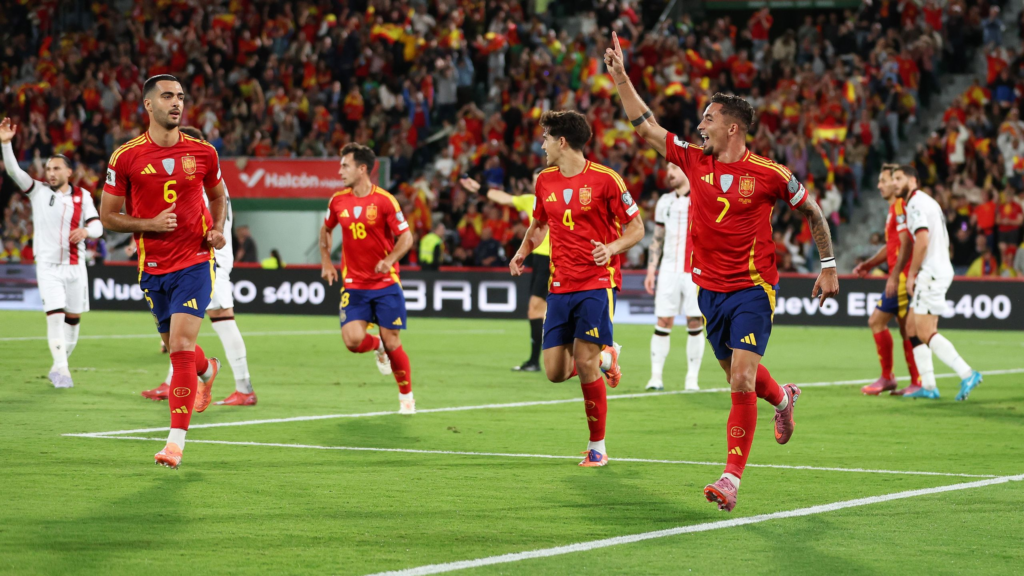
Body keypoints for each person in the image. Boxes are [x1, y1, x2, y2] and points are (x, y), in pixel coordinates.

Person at [606, 32, 838, 511]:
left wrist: (829, 266)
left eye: (708, 119)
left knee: (740, 381)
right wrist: (623, 78)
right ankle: (785, 398)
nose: (700, 125)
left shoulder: (769, 173)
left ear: (733, 128)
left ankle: (731, 478)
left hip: (754, 289)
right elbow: (647, 127)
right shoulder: (694, 161)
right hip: (708, 290)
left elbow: (813, 211)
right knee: (738, 374)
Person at [99, 75, 227, 469]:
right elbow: (107, 216)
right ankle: (209, 369)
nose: (177, 103)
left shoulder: (203, 153)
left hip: (194, 261)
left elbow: (218, 195)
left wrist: (217, 228)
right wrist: (149, 225)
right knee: (178, 349)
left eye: (181, 97)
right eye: (168, 96)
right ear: (148, 105)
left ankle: (174, 445)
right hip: (152, 267)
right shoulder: (126, 157)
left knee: (182, 348)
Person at [510, 110, 645, 467]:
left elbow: (636, 228)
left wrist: (612, 248)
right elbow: (539, 224)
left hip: (597, 282)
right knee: (554, 371)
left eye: (545, 139)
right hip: (560, 283)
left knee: (583, 362)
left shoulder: (606, 180)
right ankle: (606, 356)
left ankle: (597, 447)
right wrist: (523, 250)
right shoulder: (544, 181)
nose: (541, 145)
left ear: (562, 141)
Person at [141, 126, 256, 406]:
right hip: (196, 258)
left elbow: (196, 220)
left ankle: (244, 388)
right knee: (180, 328)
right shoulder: (212, 179)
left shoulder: (197, 177)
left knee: (222, 319)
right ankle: (174, 382)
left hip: (204, 259)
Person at [1, 117, 104, 388]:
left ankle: (59, 365)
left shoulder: (84, 196)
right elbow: (14, 171)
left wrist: (86, 232)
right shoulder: (37, 191)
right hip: (47, 266)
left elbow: (98, 225)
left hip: (75, 267)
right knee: (56, 317)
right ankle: (62, 370)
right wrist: (6, 144)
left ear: (69, 172)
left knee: (73, 321)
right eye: (48, 168)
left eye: (56, 168)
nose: (50, 173)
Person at [320, 143, 416, 414]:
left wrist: (389, 260)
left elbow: (406, 237)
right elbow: (326, 230)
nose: (340, 171)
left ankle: (406, 396)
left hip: (385, 285)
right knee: (352, 341)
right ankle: (378, 347)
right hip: (354, 284)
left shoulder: (385, 200)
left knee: (393, 340)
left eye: (345, 166)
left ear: (362, 169)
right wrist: (326, 261)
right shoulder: (337, 200)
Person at [896, 165, 983, 401]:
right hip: (939, 268)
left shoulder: (914, 203)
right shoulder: (926, 201)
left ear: (913, 180)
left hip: (931, 272)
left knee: (925, 331)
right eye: (893, 179)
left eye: (899, 178)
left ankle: (967, 373)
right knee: (912, 328)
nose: (895, 183)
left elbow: (922, 241)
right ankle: (930, 386)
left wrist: (912, 274)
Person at [462, 170, 550, 372]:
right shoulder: (532, 201)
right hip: (539, 260)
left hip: (553, 260)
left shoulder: (558, 201)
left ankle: (537, 361)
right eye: (535, 181)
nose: (538, 185)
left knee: (537, 310)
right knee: (541, 311)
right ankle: (539, 360)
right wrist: (479, 188)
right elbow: (505, 198)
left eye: (541, 181)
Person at [852, 164, 921, 396]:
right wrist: (870, 264)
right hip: (901, 275)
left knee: (877, 321)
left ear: (894, 183)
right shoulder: (894, 208)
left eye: (883, 181)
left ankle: (888, 377)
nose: (879, 185)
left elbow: (906, 243)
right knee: (906, 330)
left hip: (901, 277)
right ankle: (916, 381)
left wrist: (894, 275)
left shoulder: (900, 205)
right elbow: (892, 245)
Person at [644, 162, 705, 391]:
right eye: (668, 168)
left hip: (695, 272)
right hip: (668, 270)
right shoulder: (664, 202)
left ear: (686, 170)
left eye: (674, 168)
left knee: (695, 321)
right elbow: (657, 238)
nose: (669, 173)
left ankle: (692, 379)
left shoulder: (702, 198)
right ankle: (655, 377)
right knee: (663, 321)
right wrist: (652, 269)